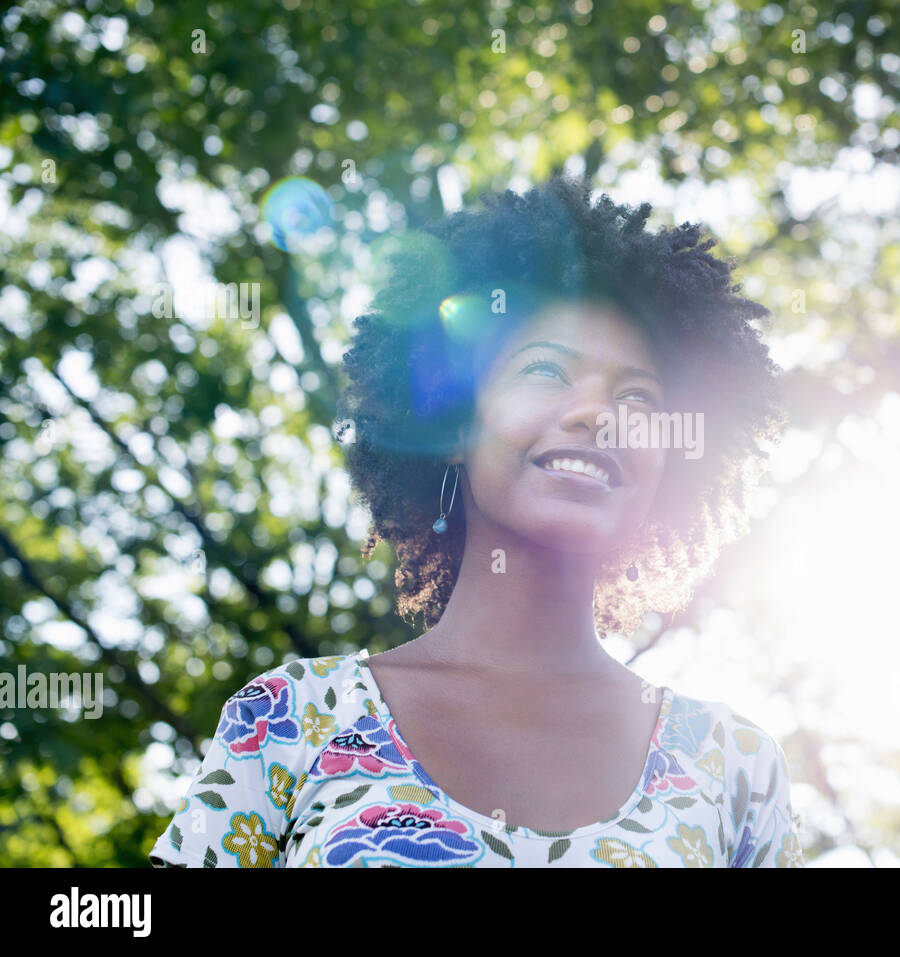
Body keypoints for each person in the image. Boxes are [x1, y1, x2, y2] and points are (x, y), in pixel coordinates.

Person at [149, 174, 803, 867]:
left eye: (638, 397)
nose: (596, 413)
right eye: (547, 370)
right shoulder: (292, 718)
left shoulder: (734, 768)